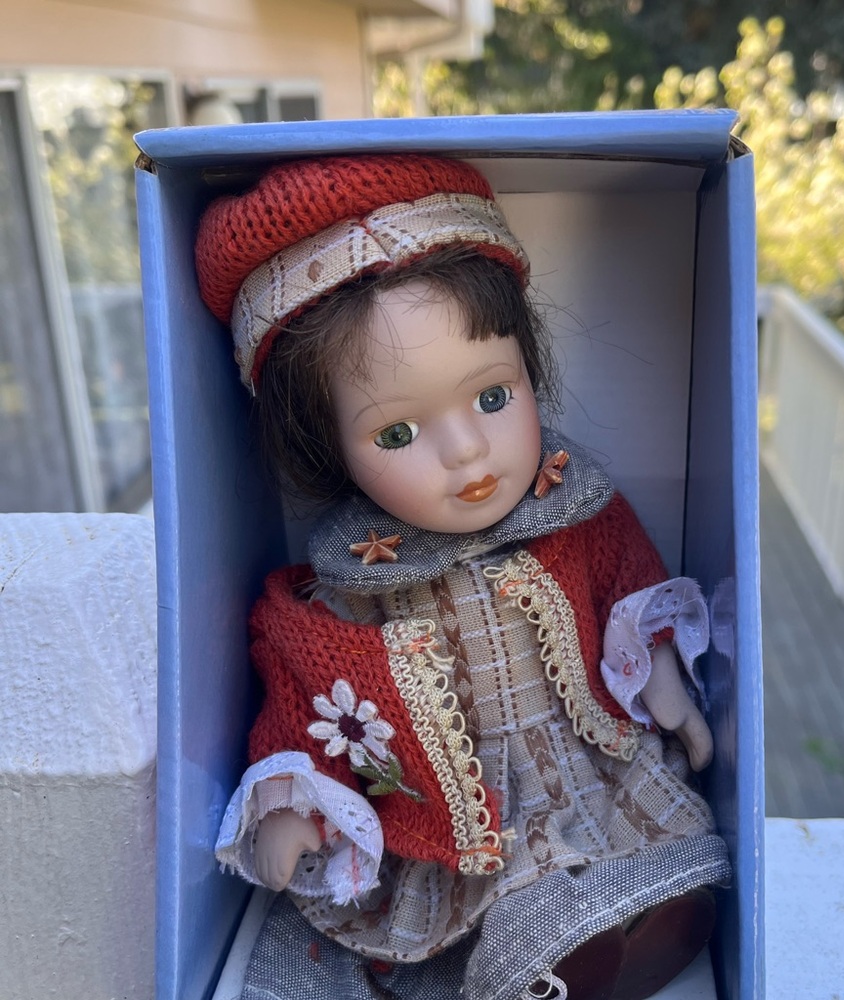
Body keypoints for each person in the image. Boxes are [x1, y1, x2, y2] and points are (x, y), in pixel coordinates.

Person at [195, 153, 731, 1000]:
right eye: (398, 435)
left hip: (585, 766)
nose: (468, 452)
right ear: (326, 447)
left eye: (492, 396)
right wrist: (299, 796)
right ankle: (554, 961)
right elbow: (306, 699)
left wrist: (658, 670)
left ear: (529, 369)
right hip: (456, 823)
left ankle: (639, 921)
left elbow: (626, 579)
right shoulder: (343, 590)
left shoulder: (575, 511)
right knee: (498, 903)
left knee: (653, 839)